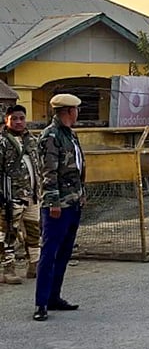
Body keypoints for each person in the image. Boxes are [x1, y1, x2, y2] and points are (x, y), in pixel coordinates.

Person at [33, 93, 85, 321]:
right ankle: (41, 303)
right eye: (75, 110)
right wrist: (53, 202)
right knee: (49, 253)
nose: (77, 113)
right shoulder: (51, 136)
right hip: (58, 205)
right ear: (68, 111)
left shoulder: (69, 135)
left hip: (73, 201)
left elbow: (78, 168)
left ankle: (54, 297)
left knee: (64, 252)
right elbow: (48, 173)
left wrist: (82, 194)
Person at [0, 105, 41, 284]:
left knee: (34, 232)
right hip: (11, 197)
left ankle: (34, 266)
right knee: (8, 234)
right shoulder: (2, 142)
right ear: (6, 120)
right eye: (14, 118)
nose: (18, 122)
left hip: (32, 195)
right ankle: (8, 269)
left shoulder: (31, 139)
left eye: (21, 118)